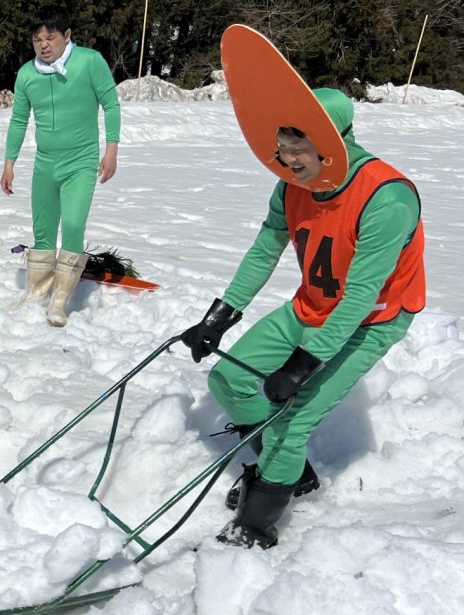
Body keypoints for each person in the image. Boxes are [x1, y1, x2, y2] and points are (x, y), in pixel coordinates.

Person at [181, 88, 425, 549]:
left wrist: (301, 365)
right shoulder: (293, 184)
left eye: (298, 149)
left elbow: (359, 297)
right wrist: (220, 316)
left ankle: (254, 527)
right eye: (282, 148)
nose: (287, 160)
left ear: (332, 144)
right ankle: (294, 473)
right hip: (312, 304)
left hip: (370, 320)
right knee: (229, 381)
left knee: (293, 421)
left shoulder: (386, 199)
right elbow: (265, 249)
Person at [0, 6, 121, 326]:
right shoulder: (27, 74)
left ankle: (60, 299)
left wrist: (112, 149)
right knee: (42, 231)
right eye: (37, 39)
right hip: (45, 163)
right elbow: (18, 120)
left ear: (67, 36)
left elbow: (110, 103)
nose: (43, 44)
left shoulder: (90, 62)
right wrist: (9, 162)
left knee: (72, 226)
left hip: (80, 162)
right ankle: (37, 292)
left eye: (50, 37)